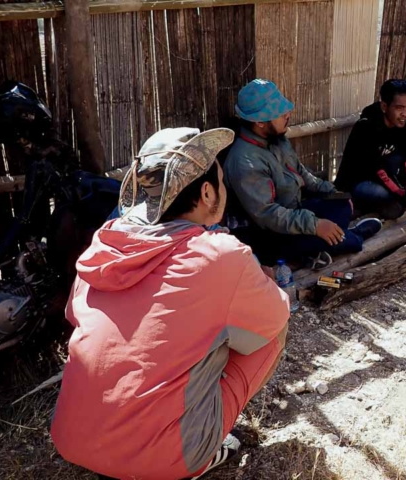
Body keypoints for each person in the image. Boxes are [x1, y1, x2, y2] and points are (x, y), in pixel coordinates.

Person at [51, 127, 291, 480]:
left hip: (72, 442)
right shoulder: (219, 255)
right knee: (271, 327)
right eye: (222, 183)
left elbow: (79, 318)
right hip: (162, 461)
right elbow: (274, 315)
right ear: (208, 192)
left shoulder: (104, 244)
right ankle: (200, 451)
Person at [224, 78, 381, 267]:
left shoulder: (277, 139)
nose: (287, 114)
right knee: (349, 243)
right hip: (268, 234)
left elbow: (301, 173)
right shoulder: (244, 162)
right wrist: (315, 225)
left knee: (342, 204)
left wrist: (331, 192)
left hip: (294, 213)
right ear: (259, 122)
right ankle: (353, 235)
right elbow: (268, 215)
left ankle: (315, 250)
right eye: (280, 112)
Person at [334, 79, 406, 222]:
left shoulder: (403, 124)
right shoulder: (366, 128)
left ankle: (393, 202)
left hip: (389, 174)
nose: (405, 113)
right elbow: (379, 171)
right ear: (385, 106)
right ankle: (372, 205)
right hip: (362, 182)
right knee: (381, 192)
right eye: (399, 108)